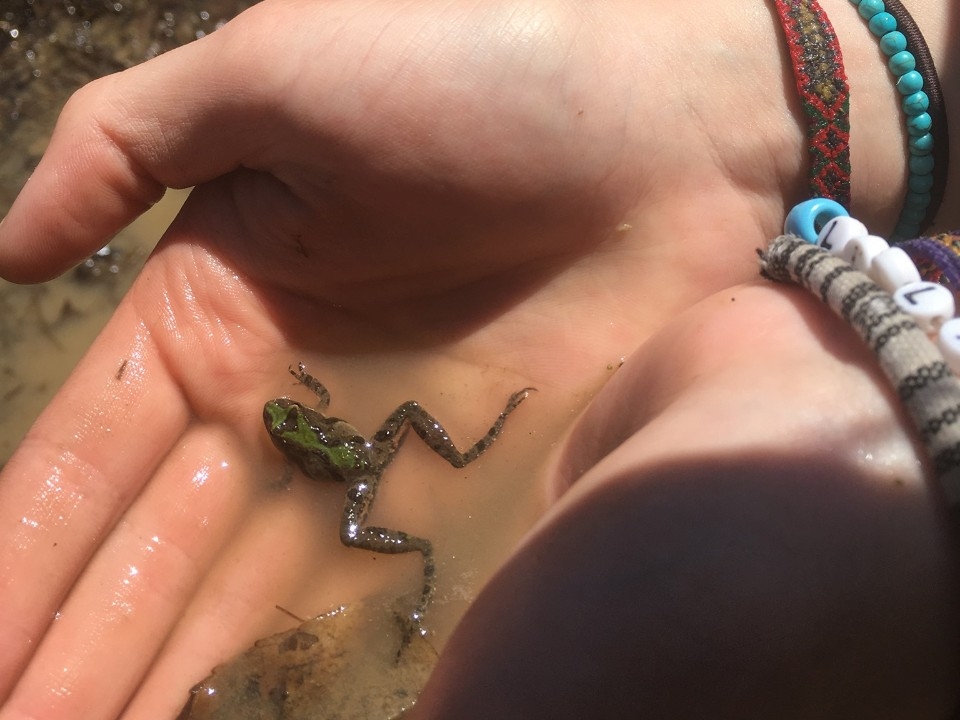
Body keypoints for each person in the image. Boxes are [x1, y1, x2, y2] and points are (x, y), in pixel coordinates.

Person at [0, 0, 958, 717]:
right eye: (287, 426)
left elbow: (305, 449)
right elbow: (309, 439)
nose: (283, 425)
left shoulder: (303, 443)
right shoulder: (309, 433)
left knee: (348, 530)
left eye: (288, 423)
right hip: (364, 458)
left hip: (360, 470)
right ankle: (432, 524)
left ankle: (420, 547)